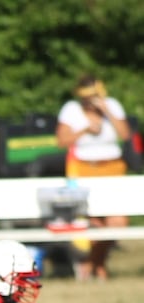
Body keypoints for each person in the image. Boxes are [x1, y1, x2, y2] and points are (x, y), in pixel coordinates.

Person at [56, 74, 133, 280]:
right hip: (84, 169)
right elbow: (61, 140)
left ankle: (92, 262)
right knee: (95, 222)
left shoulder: (112, 106)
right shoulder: (71, 110)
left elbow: (126, 135)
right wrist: (84, 130)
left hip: (112, 168)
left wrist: (106, 111)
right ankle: (98, 267)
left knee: (118, 222)